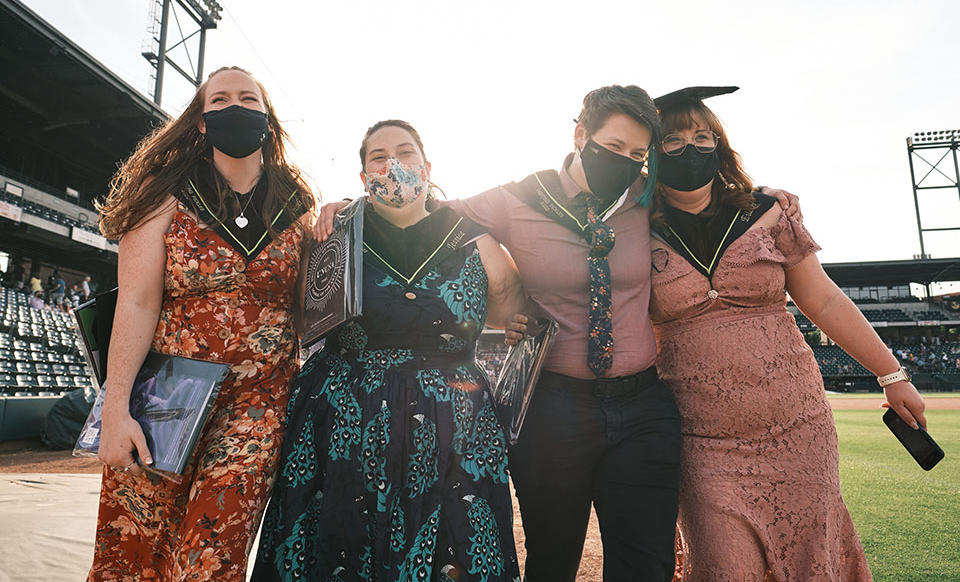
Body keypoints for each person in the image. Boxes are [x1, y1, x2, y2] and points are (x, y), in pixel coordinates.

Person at [319, 86, 797, 582]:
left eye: (638, 154)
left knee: (645, 566)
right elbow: (422, 211)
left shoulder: (646, 199)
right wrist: (348, 208)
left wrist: (767, 197)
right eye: (614, 148)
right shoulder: (520, 198)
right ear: (580, 135)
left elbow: (711, 205)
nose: (627, 162)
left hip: (642, 410)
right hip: (552, 408)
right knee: (552, 561)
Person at [645, 86, 926, 581]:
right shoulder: (630, 228)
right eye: (673, 140)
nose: (691, 148)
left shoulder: (768, 210)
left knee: (811, 561)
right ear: (651, 150)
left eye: (702, 135)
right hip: (701, 438)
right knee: (725, 566)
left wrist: (891, 373)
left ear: (720, 142)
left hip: (796, 424)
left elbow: (822, 300)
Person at [252, 120, 525, 582]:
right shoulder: (334, 235)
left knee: (452, 551)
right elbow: (305, 315)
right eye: (378, 156)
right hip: (345, 419)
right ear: (362, 177)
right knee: (342, 546)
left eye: (405, 152)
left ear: (427, 166)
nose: (392, 163)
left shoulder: (472, 235)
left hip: (453, 423)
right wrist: (339, 215)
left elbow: (508, 312)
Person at [88, 66, 315, 581]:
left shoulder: (298, 205)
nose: (234, 107)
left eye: (248, 98)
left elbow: (314, 308)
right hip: (166, 398)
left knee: (213, 559)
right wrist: (114, 408)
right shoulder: (165, 192)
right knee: (135, 554)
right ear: (200, 122)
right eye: (219, 100)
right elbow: (138, 302)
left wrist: (342, 220)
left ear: (267, 117)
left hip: (257, 404)